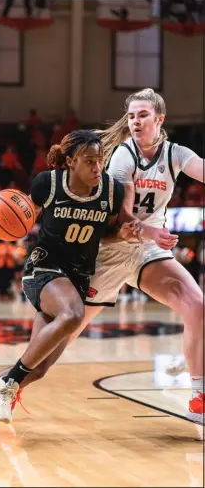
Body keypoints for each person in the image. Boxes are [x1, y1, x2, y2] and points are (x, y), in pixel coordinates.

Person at [0, 129, 176, 436]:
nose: (97, 167)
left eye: (100, 160)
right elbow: (18, 213)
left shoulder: (111, 190)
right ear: (71, 162)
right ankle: (7, 385)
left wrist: (123, 234)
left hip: (76, 279)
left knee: (36, 369)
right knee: (73, 315)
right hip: (43, 269)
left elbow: (108, 233)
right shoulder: (47, 183)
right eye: (89, 161)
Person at [86, 88, 204, 424]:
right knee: (66, 327)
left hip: (147, 251)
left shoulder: (175, 154)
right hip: (113, 247)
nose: (135, 121)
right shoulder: (123, 156)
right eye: (132, 115)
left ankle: (199, 397)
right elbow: (122, 219)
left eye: (143, 115)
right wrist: (153, 231)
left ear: (159, 119)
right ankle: (11, 380)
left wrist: (151, 236)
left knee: (197, 305)